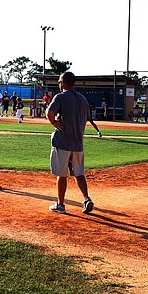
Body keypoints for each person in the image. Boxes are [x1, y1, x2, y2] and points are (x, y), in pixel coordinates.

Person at [45, 71, 94, 215]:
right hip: (78, 143)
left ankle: (60, 204)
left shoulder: (60, 97)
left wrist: (54, 122)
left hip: (63, 142)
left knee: (62, 175)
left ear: (64, 83)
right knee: (79, 174)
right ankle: (86, 198)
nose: (59, 85)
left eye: (60, 82)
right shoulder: (83, 99)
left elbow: (49, 112)